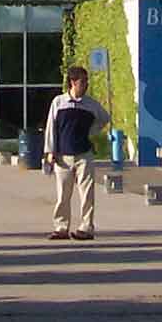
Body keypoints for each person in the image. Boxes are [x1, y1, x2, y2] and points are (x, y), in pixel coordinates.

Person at [44, 65, 107, 241]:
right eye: (83, 81)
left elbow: (104, 118)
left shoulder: (91, 104)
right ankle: (61, 227)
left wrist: (91, 132)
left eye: (87, 81)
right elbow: (51, 127)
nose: (86, 85)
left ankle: (86, 228)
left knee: (87, 193)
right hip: (63, 156)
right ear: (73, 82)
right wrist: (50, 151)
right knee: (63, 194)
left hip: (84, 154)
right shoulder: (59, 102)